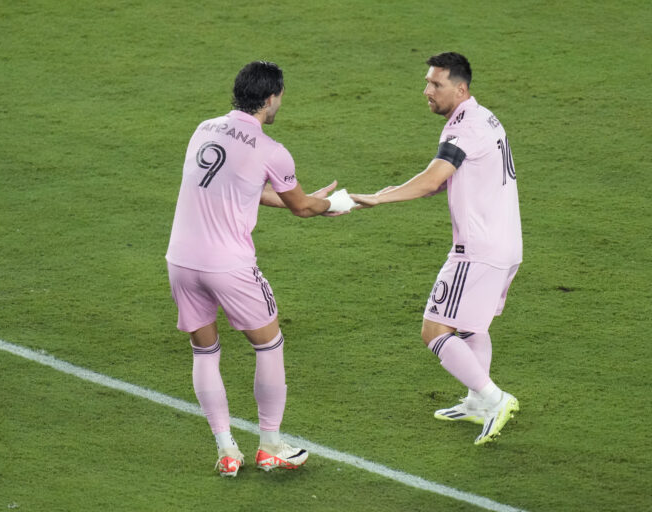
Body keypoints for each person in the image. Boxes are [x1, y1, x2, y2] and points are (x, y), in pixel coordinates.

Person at [166, 61, 355, 476]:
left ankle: (226, 450)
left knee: (205, 351)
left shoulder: (204, 129)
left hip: (180, 261)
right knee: (269, 345)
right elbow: (302, 207)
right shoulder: (272, 150)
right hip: (228, 266)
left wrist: (298, 198)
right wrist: (331, 204)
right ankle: (270, 445)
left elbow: (235, 186)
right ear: (271, 98)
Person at [351, 52, 523, 445]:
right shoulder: (483, 117)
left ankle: (495, 399)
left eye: (436, 85)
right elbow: (446, 179)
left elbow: (433, 180)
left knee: (435, 330)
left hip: (477, 249)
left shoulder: (463, 130)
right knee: (470, 324)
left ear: (460, 89)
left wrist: (380, 199)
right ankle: (478, 401)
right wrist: (386, 192)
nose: (427, 91)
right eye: (428, 82)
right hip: (505, 243)